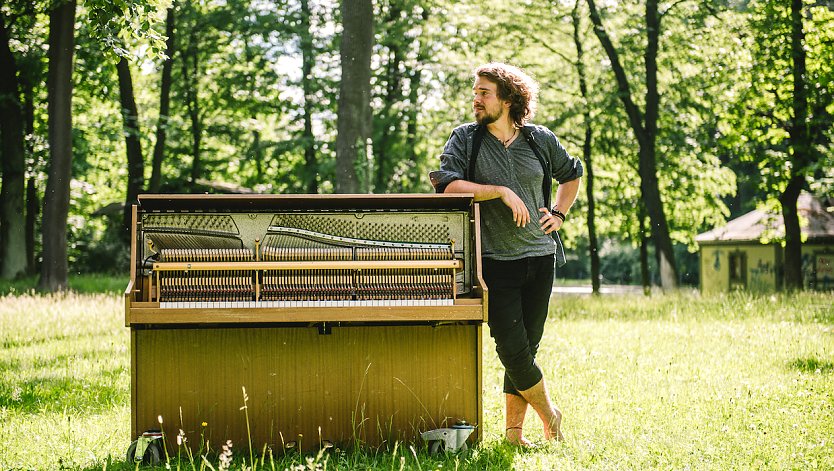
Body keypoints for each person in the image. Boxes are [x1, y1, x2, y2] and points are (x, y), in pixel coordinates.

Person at [430, 63, 582, 446]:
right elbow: (448, 187)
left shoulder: (539, 139)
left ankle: (514, 435)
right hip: (495, 260)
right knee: (511, 347)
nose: (475, 99)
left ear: (510, 99)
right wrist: (499, 190)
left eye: (484, 92)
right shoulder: (466, 138)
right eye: (475, 91)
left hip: (540, 257)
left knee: (526, 349)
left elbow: (572, 173)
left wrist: (559, 214)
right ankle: (551, 415)